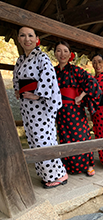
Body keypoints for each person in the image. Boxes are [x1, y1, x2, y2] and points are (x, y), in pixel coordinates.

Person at [13, 27, 67, 189]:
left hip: (41, 107)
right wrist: (18, 90)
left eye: (30, 35)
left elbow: (49, 78)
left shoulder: (42, 57)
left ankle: (57, 175)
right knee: (33, 139)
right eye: (23, 35)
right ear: (18, 38)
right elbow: (17, 79)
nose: (27, 39)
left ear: (37, 38)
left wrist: (38, 94)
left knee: (43, 140)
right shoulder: (20, 60)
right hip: (27, 105)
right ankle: (49, 173)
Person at [54, 41, 101, 177]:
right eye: (59, 50)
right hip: (60, 110)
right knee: (64, 137)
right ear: (55, 54)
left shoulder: (75, 70)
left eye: (65, 51)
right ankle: (69, 166)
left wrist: (81, 95)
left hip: (74, 110)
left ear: (70, 55)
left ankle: (88, 165)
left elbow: (92, 82)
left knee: (81, 136)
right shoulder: (53, 71)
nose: (62, 54)